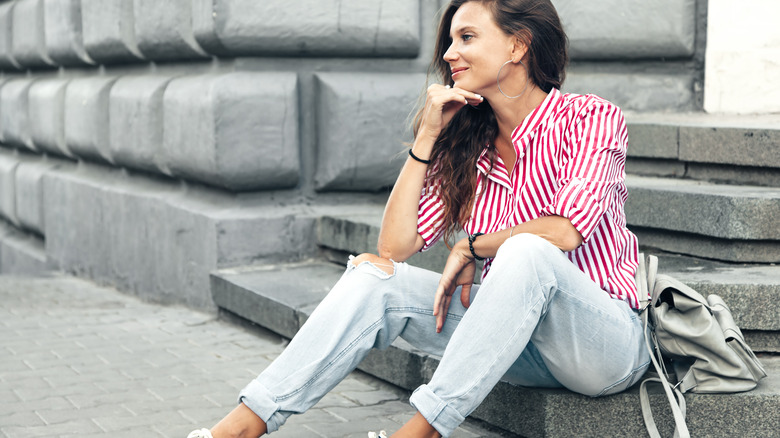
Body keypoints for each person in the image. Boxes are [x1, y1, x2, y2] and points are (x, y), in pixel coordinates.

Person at [189, 0, 650, 437]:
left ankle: (424, 428)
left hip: (603, 345)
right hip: (519, 342)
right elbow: (392, 249)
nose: (450, 53)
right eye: (450, 40)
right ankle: (242, 425)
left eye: (467, 37)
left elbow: (564, 230)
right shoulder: (474, 147)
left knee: (527, 250)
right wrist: (427, 136)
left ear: (517, 45)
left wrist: (472, 245)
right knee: (375, 278)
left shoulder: (589, 118)